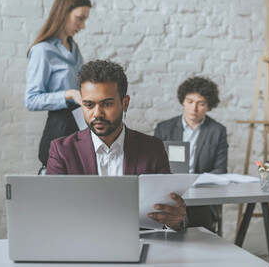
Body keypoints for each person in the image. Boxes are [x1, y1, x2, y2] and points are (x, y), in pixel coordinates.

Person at [47, 60, 187, 231]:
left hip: (139, 244)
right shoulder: (62, 150)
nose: (97, 113)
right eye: (89, 105)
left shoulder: (153, 149)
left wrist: (175, 221)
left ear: (125, 103)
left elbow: (168, 213)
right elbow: (52, 214)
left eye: (107, 104)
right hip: (81, 244)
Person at [25, 0, 91, 174]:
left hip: (80, 127)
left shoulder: (74, 48)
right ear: (64, 12)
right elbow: (31, 100)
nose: (83, 26)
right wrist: (69, 94)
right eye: (80, 18)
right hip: (59, 129)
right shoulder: (43, 50)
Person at [154, 76, 228, 231]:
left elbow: (220, 170)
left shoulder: (217, 131)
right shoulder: (164, 128)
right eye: (190, 102)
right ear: (183, 101)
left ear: (208, 106)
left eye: (201, 104)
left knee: (198, 219)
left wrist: (195, 181)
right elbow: (153, 166)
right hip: (170, 193)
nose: (194, 108)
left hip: (200, 195)